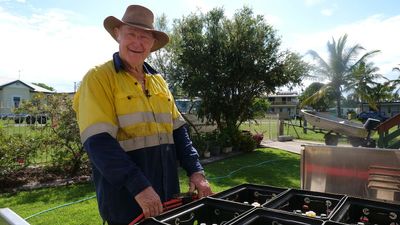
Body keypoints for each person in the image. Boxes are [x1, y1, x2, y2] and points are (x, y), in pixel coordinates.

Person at [73, 5, 212, 225]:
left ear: (152, 44)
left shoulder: (159, 80)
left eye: (145, 37)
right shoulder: (98, 78)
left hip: (168, 196)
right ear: (118, 34)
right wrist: (140, 187)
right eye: (131, 34)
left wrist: (196, 171)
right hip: (128, 199)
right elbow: (98, 143)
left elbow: (179, 132)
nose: (138, 43)